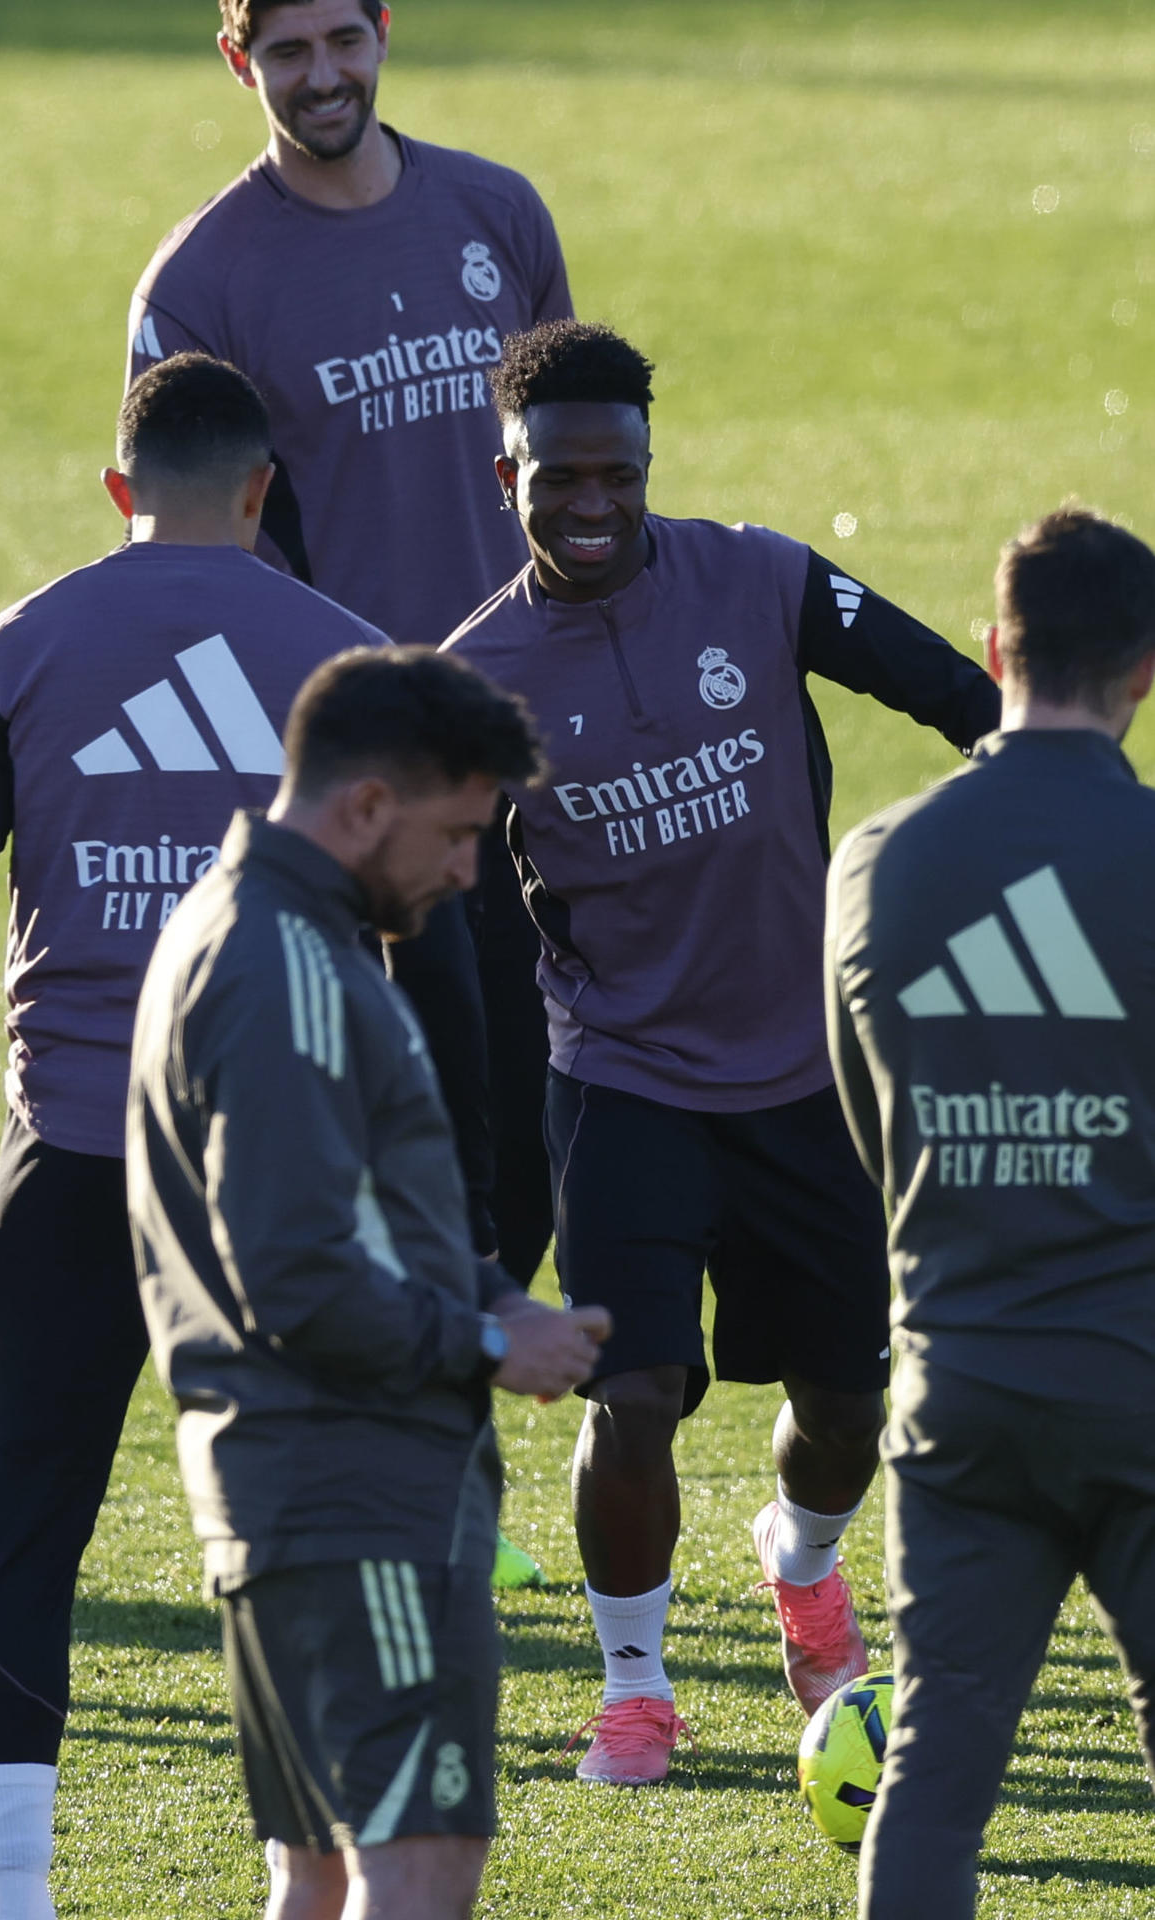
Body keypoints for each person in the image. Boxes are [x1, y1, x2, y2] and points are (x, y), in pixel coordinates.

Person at [0, 353, 401, 1920]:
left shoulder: (16, 648)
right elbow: (442, 945)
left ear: (120, 493)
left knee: (21, 1550)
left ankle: (17, 1901)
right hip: (281, 1174)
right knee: (294, 1548)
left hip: (75, 1161)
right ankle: (299, 1890)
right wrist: (476, 1194)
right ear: (261, 490)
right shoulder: (354, 662)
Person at [442, 318, 1003, 1784]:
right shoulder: (472, 676)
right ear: (505, 473)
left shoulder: (757, 574)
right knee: (627, 1400)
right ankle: (637, 1689)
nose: (591, 505)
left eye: (615, 474)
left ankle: (803, 1565)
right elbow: (408, 891)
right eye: (557, 477)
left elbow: (959, 696)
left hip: (807, 1073)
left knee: (847, 1406)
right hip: (619, 1081)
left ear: (647, 462)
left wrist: (1053, 791)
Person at [126, 5, 574, 1528]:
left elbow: (571, 463)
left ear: (386, 33)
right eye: (287, 50)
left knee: (532, 1117)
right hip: (364, 812)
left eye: (344, 38)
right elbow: (199, 556)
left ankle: (492, 1410)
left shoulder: (498, 213)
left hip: (520, 762)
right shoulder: (201, 282)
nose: (323, 77)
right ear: (234, 57)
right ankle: (449, 1477)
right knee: (403, 1128)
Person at [127, 647, 611, 1920]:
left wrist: (494, 1294)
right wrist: (484, 1345)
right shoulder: (284, 968)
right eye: (457, 836)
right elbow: (295, 1269)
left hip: (295, 1492)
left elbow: (352, 1206)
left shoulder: (263, 934)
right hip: (358, 1497)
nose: (467, 872)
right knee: (416, 1869)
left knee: (319, 1876)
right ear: (367, 808)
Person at [825, 506, 1155, 1919]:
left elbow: (870, 1117)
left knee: (938, 1782)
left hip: (958, 1390)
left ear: (989, 647)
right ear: (1148, 667)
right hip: (1141, 1382)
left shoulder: (878, 862)